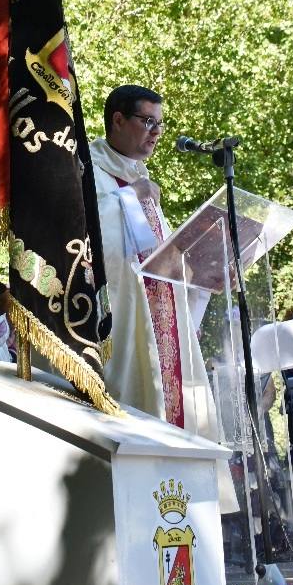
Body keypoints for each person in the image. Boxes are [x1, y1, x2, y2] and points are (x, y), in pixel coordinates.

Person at [88, 85, 216, 437]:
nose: (157, 132)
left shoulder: (140, 180)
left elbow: (162, 257)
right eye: (148, 121)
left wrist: (203, 270)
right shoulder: (88, 171)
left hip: (164, 325)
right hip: (125, 324)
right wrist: (128, 199)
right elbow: (90, 240)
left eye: (160, 123)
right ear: (118, 120)